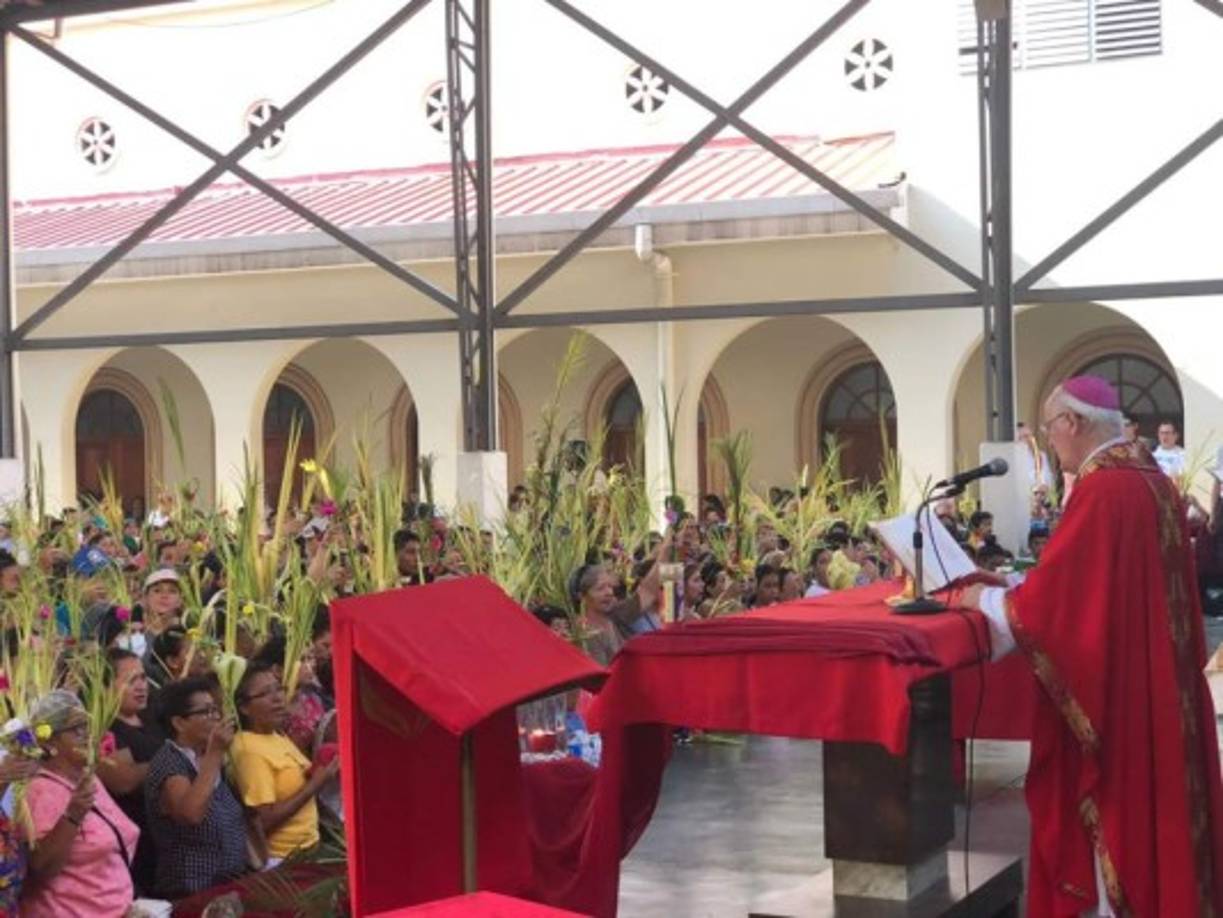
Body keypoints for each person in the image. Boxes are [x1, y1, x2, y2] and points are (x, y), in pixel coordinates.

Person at [957, 376, 1223, 917]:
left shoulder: (1103, 489)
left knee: (1120, 823)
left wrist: (980, 601)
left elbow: (1059, 610)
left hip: (1120, 701)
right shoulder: (1151, 480)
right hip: (1159, 688)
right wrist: (1016, 584)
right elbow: (1096, 582)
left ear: (1073, 422)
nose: (1050, 442)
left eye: (1050, 429)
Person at [23, 690, 139, 917]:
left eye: (87, 726)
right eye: (76, 729)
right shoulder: (39, 791)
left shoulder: (88, 778)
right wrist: (73, 815)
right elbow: (41, 868)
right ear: (48, 741)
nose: (87, 735)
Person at [144, 677, 249, 897]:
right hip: (192, 890)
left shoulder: (206, 756)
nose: (216, 717)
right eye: (206, 712)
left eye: (216, 710)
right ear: (179, 723)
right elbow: (190, 814)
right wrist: (215, 752)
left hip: (230, 883)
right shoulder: (169, 762)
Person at [230, 663, 336, 862]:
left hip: (307, 849)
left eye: (279, 689)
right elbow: (263, 821)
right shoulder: (249, 750)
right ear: (244, 707)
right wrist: (315, 784)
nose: (278, 698)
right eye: (265, 693)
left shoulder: (276, 734)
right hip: (283, 860)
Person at [97, 649, 163, 896]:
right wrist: (173, 760)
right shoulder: (103, 728)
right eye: (130, 680)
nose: (141, 686)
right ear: (104, 686)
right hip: (139, 840)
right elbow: (123, 781)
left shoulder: (151, 717)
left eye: (143, 678)